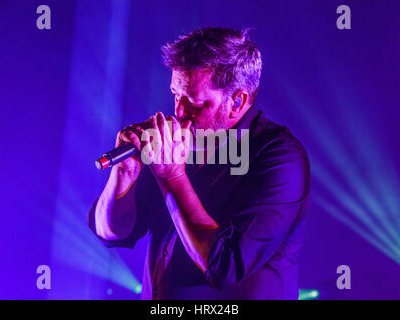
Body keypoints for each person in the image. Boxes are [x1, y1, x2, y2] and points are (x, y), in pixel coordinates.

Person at [87, 27, 310, 300]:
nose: (179, 112)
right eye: (175, 96)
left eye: (195, 102)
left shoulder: (279, 157)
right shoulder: (179, 143)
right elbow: (113, 232)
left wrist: (171, 176)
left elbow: (226, 266)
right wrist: (126, 172)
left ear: (237, 102)